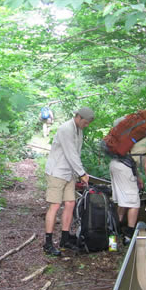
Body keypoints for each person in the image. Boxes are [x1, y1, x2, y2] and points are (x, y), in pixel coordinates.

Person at [43, 107, 95, 256]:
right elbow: (70, 153)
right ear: (78, 117)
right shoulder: (66, 129)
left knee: (70, 203)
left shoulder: (79, 129)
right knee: (55, 205)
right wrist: (82, 173)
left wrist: (78, 173)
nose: (86, 125)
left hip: (69, 173)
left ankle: (64, 240)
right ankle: (47, 243)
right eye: (85, 122)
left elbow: (76, 154)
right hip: (57, 172)